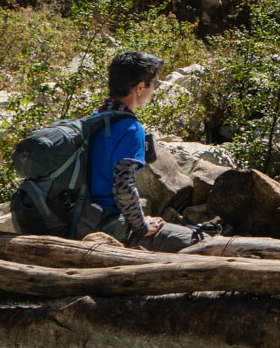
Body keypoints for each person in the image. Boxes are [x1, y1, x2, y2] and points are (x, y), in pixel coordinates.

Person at [82, 50, 199, 250]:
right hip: (106, 226)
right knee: (197, 239)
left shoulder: (94, 118)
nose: (154, 90)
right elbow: (123, 188)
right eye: (154, 84)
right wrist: (142, 226)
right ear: (139, 87)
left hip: (81, 218)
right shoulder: (130, 129)